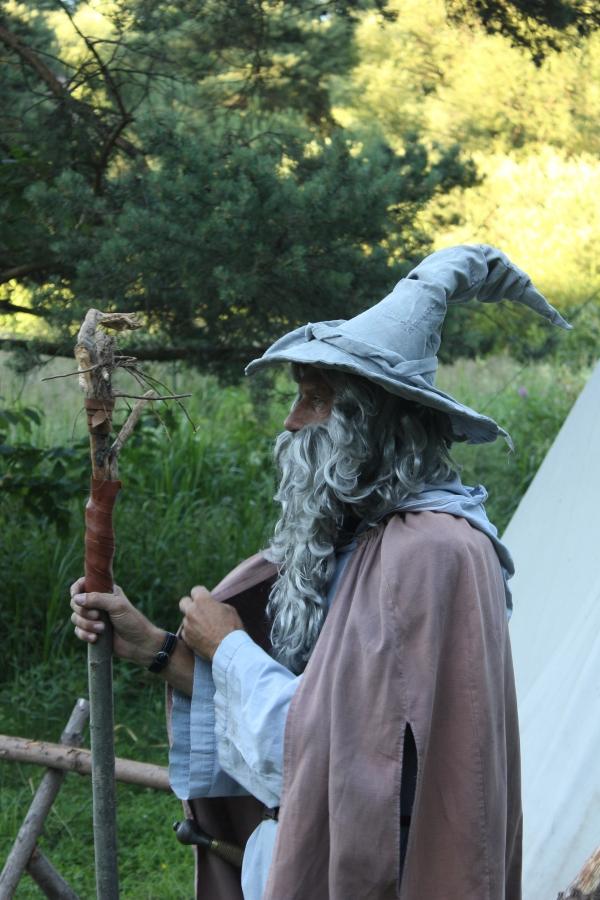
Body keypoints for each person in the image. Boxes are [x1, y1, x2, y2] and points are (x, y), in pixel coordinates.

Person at [70, 245, 570, 900]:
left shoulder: (429, 554)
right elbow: (316, 728)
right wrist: (155, 648)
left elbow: (343, 766)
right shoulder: (361, 539)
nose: (290, 422)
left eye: (314, 400)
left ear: (373, 419)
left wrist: (227, 647)